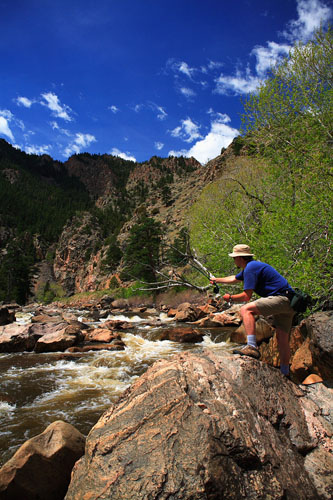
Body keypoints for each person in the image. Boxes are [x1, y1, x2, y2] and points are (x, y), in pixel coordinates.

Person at [210, 244, 295, 377]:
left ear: (240, 258)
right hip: (289, 303)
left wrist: (230, 297)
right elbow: (234, 278)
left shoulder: (250, 268)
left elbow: (246, 297)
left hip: (281, 299)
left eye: (234, 258)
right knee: (281, 338)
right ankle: (285, 372)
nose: (234, 261)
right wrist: (217, 280)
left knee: (246, 310)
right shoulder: (252, 266)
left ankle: (252, 347)